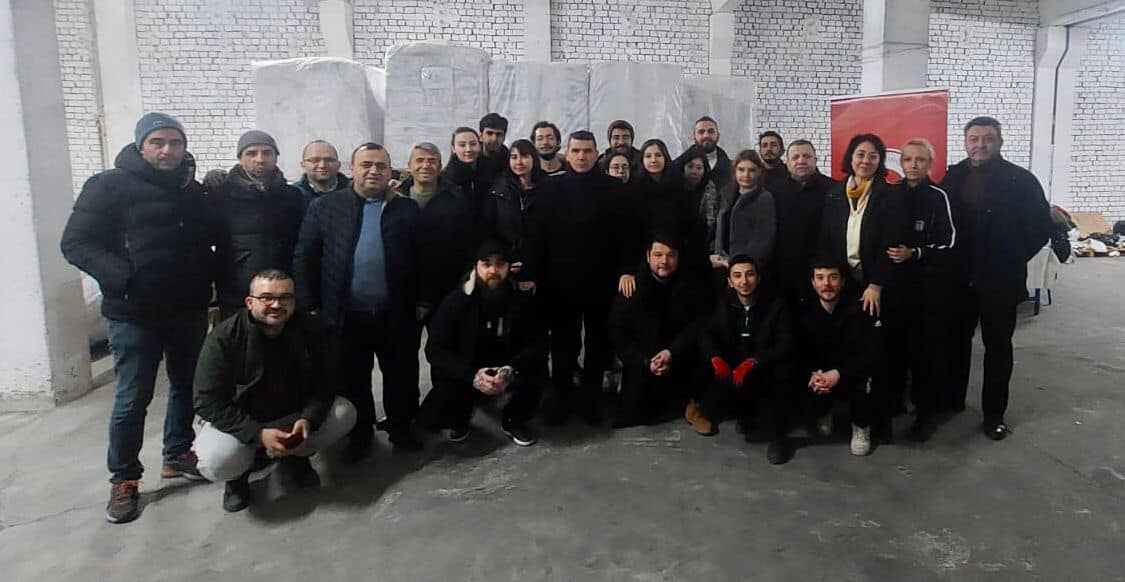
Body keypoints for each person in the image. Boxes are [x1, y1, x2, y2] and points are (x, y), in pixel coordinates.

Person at [60, 112, 213, 524]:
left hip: (187, 308)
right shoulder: (108, 186)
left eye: (175, 143)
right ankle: (125, 477)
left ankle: (177, 453)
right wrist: (124, 278)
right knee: (133, 397)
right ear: (141, 145)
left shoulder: (191, 189)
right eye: (157, 142)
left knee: (186, 386)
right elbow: (75, 242)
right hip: (133, 314)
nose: (167, 151)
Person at [293, 142, 424, 460]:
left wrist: (424, 299)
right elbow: (304, 257)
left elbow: (425, 257)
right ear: (351, 169)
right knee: (352, 378)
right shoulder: (326, 207)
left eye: (381, 166)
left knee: (402, 374)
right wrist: (310, 306)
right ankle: (360, 434)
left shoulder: (406, 209)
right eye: (366, 165)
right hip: (345, 315)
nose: (373, 171)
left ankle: (401, 428)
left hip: (396, 312)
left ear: (390, 172)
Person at [193, 270, 356, 512]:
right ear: (250, 302)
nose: (277, 305)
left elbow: (326, 381)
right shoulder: (224, 338)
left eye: (285, 297)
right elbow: (206, 401)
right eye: (266, 297)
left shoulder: (309, 328)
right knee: (216, 460)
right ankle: (237, 479)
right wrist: (256, 433)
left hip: (292, 416)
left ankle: (293, 457)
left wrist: (309, 418)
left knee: (344, 413)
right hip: (242, 421)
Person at [941, 116, 1052, 440]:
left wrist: (1012, 257)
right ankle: (952, 400)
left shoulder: (1021, 180)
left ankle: (994, 415)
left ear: (1000, 142)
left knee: (998, 348)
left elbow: (1040, 227)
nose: (980, 145)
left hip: (1000, 280)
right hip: (958, 279)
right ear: (965, 142)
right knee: (955, 343)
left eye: (987, 138)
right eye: (974, 138)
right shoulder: (953, 177)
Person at [819, 133, 909, 441]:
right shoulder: (835, 192)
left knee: (875, 352)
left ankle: (871, 421)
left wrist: (876, 284)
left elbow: (891, 244)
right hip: (843, 284)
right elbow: (826, 237)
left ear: (880, 160)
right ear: (850, 157)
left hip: (875, 287)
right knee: (840, 348)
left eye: (873, 156)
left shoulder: (890, 194)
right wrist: (830, 280)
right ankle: (835, 410)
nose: (865, 161)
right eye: (860, 154)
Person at [535, 130, 629, 425]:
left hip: (603, 280)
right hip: (561, 281)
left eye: (587, 151)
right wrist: (534, 275)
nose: (581, 156)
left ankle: (590, 400)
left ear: (596, 154)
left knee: (598, 343)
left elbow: (627, 235)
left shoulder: (614, 188)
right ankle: (561, 398)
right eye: (576, 151)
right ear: (567, 153)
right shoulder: (551, 188)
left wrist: (626, 269)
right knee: (563, 343)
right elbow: (539, 235)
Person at [418, 241, 548, 446]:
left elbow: (538, 343)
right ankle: (460, 416)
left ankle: (513, 419)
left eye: (500, 264)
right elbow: (435, 349)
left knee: (537, 372)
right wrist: (471, 375)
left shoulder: (521, 300)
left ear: (508, 267)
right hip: (469, 368)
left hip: (508, 364)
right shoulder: (456, 302)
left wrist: (511, 369)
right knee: (431, 418)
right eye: (486, 264)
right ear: (476, 267)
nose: (493, 271)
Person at [885, 138, 956, 442]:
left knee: (925, 355)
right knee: (894, 350)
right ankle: (894, 404)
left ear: (930, 164)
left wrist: (915, 253)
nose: (913, 165)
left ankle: (926, 415)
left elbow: (949, 242)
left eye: (920, 160)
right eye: (908, 159)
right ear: (900, 163)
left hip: (927, 290)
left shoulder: (938, 196)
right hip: (894, 288)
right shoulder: (890, 193)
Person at [694, 255, 797, 464]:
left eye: (749, 275)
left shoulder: (776, 305)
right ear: (730, 281)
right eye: (737, 276)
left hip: (762, 368)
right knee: (702, 362)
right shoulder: (722, 303)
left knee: (784, 371)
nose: (744, 281)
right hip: (733, 368)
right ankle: (708, 408)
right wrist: (715, 358)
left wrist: (755, 361)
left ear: (758, 278)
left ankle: (779, 438)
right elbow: (706, 334)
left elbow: (786, 343)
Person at [609, 236, 707, 428]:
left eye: (671, 255)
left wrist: (671, 352)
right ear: (647, 256)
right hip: (642, 361)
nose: (664, 261)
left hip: (677, 357)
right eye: (658, 254)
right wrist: (645, 362)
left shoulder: (690, 287)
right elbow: (618, 332)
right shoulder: (632, 286)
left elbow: (697, 326)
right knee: (635, 414)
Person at [210, 130, 306, 319]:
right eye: (251, 153)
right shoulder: (220, 196)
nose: (260, 159)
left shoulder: (292, 197)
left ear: (276, 157)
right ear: (240, 158)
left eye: (267, 153)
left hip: (282, 291)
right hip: (236, 293)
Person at [796, 260, 880, 456]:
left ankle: (861, 426)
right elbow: (799, 351)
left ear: (842, 281)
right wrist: (814, 375)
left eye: (833, 277)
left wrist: (839, 373)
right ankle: (823, 411)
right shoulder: (803, 310)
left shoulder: (860, 308)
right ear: (813, 282)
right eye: (820, 278)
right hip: (820, 374)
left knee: (866, 380)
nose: (826, 284)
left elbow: (870, 354)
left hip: (849, 372)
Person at [396, 142, 477, 315]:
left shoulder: (456, 199)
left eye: (432, 161)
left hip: (444, 291)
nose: (426, 165)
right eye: (420, 160)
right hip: (402, 291)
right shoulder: (395, 198)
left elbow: (466, 244)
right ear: (409, 166)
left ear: (440, 167)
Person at [483, 139, 550, 293]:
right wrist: (505, 260)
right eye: (514, 157)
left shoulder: (549, 188)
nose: (519, 162)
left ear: (534, 158)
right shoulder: (498, 189)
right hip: (506, 264)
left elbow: (551, 231)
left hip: (541, 264)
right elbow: (489, 229)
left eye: (524, 156)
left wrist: (530, 263)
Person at [773, 139, 834, 303]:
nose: (801, 161)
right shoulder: (773, 192)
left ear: (815, 160)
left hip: (822, 270)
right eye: (795, 157)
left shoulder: (834, 189)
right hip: (784, 269)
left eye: (806, 156)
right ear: (787, 163)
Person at [712, 150, 777, 275]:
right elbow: (718, 227)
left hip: (748, 269)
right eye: (741, 170)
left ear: (759, 172)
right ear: (734, 171)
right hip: (721, 263)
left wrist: (738, 264)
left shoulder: (764, 198)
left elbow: (763, 239)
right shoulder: (726, 194)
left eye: (751, 170)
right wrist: (715, 252)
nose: (746, 175)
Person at [441, 127, 492, 226]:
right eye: (462, 145)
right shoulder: (446, 179)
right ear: (453, 148)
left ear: (479, 146)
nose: (468, 149)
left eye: (473, 144)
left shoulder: (491, 170)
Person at [678, 145, 721, 253]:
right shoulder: (673, 188)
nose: (694, 171)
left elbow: (711, 223)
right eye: (690, 166)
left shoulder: (710, 191)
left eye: (699, 168)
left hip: (702, 246)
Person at [675, 116, 732, 194]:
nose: (706, 135)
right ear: (694, 136)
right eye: (701, 132)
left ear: (718, 136)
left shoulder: (733, 169)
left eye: (711, 131)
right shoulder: (676, 167)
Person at [478, 112, 511, 180]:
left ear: (504, 137)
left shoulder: (510, 159)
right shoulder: (471, 156)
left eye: (499, 134)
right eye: (489, 133)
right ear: (481, 136)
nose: (494, 139)